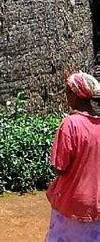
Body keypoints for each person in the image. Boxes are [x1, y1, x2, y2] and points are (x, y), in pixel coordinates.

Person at [46, 71, 100, 241]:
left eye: (67, 92)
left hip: (72, 203)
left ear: (73, 94)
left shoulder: (70, 124)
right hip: (96, 202)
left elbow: (59, 167)